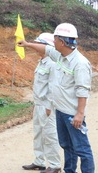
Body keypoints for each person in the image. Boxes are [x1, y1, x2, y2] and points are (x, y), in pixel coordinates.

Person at [18, 23, 95, 173]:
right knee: (67, 145)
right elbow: (45, 49)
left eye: (55, 39)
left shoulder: (80, 63)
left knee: (82, 148)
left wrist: (79, 113)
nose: (53, 43)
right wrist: (27, 44)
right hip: (60, 111)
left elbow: (83, 90)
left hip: (72, 115)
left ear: (62, 41)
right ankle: (69, 170)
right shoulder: (60, 56)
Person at [22, 33, 61, 172]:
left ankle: (55, 165)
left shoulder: (52, 63)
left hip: (47, 106)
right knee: (38, 134)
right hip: (38, 104)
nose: (35, 47)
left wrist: (49, 105)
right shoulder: (42, 61)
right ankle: (39, 161)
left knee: (49, 135)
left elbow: (53, 87)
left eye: (39, 44)